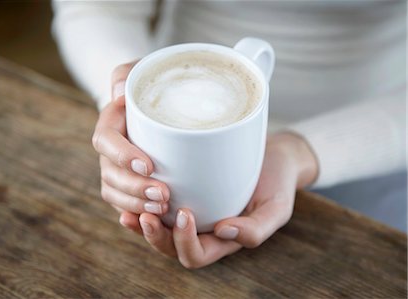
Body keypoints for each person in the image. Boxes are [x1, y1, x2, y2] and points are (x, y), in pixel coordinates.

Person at [52, 1, 406, 268]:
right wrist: (124, 99)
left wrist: (302, 150)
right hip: (163, 100)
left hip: (380, 154)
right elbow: (99, 7)